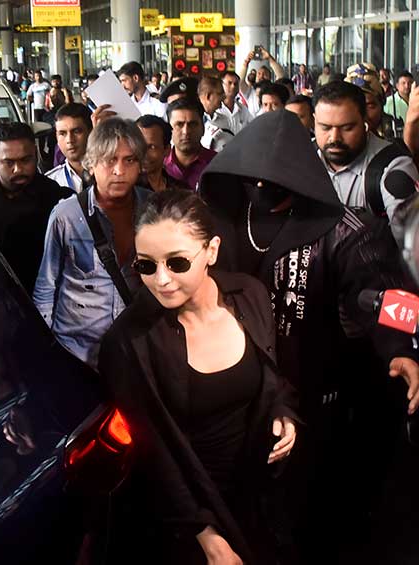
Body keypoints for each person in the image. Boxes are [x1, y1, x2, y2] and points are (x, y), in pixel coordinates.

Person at [199, 109, 419, 563]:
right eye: (252, 176)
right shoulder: (216, 221)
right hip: (230, 388)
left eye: (272, 178)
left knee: (309, 504)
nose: (260, 186)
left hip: (312, 389)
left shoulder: (340, 228)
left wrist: (401, 349)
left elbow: (379, 291)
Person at [99, 190, 300, 564]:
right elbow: (152, 450)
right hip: (188, 510)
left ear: (211, 250)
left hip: (261, 495)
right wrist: (204, 533)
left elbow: (274, 377)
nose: (161, 280)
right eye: (146, 265)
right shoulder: (128, 343)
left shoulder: (250, 295)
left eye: (177, 263)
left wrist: (283, 414)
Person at [34, 118, 149, 368]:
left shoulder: (154, 210)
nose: (119, 170)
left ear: (140, 164)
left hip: (134, 350)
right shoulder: (66, 216)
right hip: (76, 353)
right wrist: (46, 353)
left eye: (129, 160)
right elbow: (46, 288)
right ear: (92, 163)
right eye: (109, 160)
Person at [0, 123, 71, 294]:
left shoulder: (55, 198)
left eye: (25, 160)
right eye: (9, 162)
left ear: (36, 155)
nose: (18, 169)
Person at [313, 80, 418, 233]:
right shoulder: (301, 157)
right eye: (325, 127)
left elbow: (411, 246)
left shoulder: (393, 168)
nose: (334, 138)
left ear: (365, 121)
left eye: (347, 128)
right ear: (314, 120)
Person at [164, 97, 216, 190]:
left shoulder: (218, 165)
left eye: (192, 124)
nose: (186, 131)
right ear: (169, 130)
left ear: (203, 128)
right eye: (179, 124)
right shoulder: (160, 166)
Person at [136, 115, 191, 192]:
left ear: (167, 150)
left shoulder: (181, 191)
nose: (143, 153)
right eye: (138, 145)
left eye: (152, 147)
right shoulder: (125, 190)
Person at [345, 62, 398, 142]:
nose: (362, 112)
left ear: (381, 104)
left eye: (369, 106)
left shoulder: (395, 147)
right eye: (353, 105)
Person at [46, 103, 92, 193]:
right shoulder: (49, 183)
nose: (70, 140)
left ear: (90, 132)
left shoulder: (110, 174)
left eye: (76, 131)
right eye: (62, 133)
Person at [239, 46, 286, 116]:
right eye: (259, 74)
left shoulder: (275, 91)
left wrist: (270, 58)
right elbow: (240, 81)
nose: (261, 76)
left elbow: (281, 76)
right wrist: (246, 62)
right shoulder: (250, 92)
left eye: (265, 74)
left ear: (270, 78)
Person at [198, 76, 234, 152]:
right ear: (208, 96)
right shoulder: (192, 119)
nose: (224, 97)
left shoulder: (224, 119)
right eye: (220, 93)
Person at [216, 71, 253, 135]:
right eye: (229, 83)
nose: (233, 86)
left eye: (236, 84)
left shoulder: (243, 109)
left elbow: (253, 127)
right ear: (221, 85)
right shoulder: (215, 109)